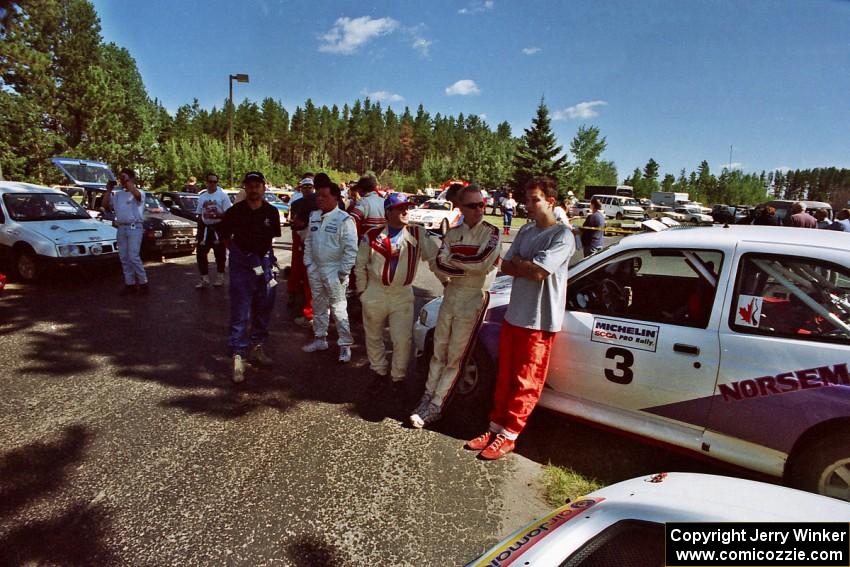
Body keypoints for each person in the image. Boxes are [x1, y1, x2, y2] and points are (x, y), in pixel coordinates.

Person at [466, 176, 575, 460]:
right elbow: (507, 266)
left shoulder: (562, 235)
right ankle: (493, 428)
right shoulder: (526, 231)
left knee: (527, 381)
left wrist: (524, 265)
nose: (528, 205)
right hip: (515, 315)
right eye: (527, 199)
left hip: (540, 320)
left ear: (551, 201)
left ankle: (509, 435)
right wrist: (525, 266)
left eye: (534, 199)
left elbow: (539, 272)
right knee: (505, 377)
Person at [410, 184, 502, 428]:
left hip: (474, 297)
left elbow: (483, 264)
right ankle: (427, 397)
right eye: (473, 205)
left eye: (482, 204)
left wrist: (456, 261)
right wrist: (464, 264)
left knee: (456, 357)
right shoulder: (452, 233)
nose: (480, 209)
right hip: (451, 294)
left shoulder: (492, 232)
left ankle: (437, 405)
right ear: (461, 207)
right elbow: (440, 263)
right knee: (439, 350)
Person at [355, 193, 443, 395]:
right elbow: (359, 265)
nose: (406, 212)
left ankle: (398, 378)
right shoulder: (371, 235)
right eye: (400, 208)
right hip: (375, 292)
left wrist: (447, 282)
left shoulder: (418, 234)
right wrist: (362, 292)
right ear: (388, 212)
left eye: (408, 208)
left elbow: (434, 260)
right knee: (373, 335)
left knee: (402, 339)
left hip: (402, 294)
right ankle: (379, 372)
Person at [219, 171, 281, 383]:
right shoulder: (235, 211)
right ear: (245, 188)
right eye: (250, 185)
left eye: (257, 185)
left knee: (264, 306)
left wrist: (266, 263)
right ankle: (238, 354)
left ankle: (257, 346)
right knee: (240, 311)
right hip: (242, 265)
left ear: (263, 187)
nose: (254, 189)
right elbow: (225, 238)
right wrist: (241, 257)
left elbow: (270, 239)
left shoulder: (271, 212)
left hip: (264, 263)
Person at [302, 181, 358, 363]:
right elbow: (309, 241)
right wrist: (308, 263)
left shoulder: (345, 220)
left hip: (334, 269)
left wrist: (343, 272)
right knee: (318, 306)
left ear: (336, 197)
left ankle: (345, 345)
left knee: (338, 308)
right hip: (316, 268)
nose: (320, 199)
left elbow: (351, 250)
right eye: (318, 195)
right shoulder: (314, 216)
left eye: (324, 196)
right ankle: (320, 339)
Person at [103, 168, 148, 295]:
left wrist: (128, 182)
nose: (122, 181)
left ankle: (143, 282)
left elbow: (137, 195)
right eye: (121, 178)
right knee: (124, 257)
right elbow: (105, 205)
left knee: (133, 256)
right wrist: (108, 190)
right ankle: (130, 284)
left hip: (134, 227)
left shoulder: (139, 192)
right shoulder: (118, 195)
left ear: (132, 179)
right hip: (121, 227)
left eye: (125, 178)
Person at [287, 177, 317, 325]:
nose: (307, 189)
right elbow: (294, 222)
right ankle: (293, 292)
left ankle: (311, 311)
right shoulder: (296, 203)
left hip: (312, 241)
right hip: (299, 238)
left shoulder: (319, 202)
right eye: (304, 187)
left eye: (309, 186)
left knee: (310, 274)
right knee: (296, 267)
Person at [194, 172, 231, 289]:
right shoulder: (202, 196)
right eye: (210, 181)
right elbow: (199, 214)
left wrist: (218, 216)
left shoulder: (222, 196)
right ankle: (204, 278)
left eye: (215, 182)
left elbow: (228, 214)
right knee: (200, 254)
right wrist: (199, 231)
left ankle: (220, 277)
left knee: (219, 254)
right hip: (205, 228)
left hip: (218, 228)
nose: (212, 184)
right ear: (206, 182)